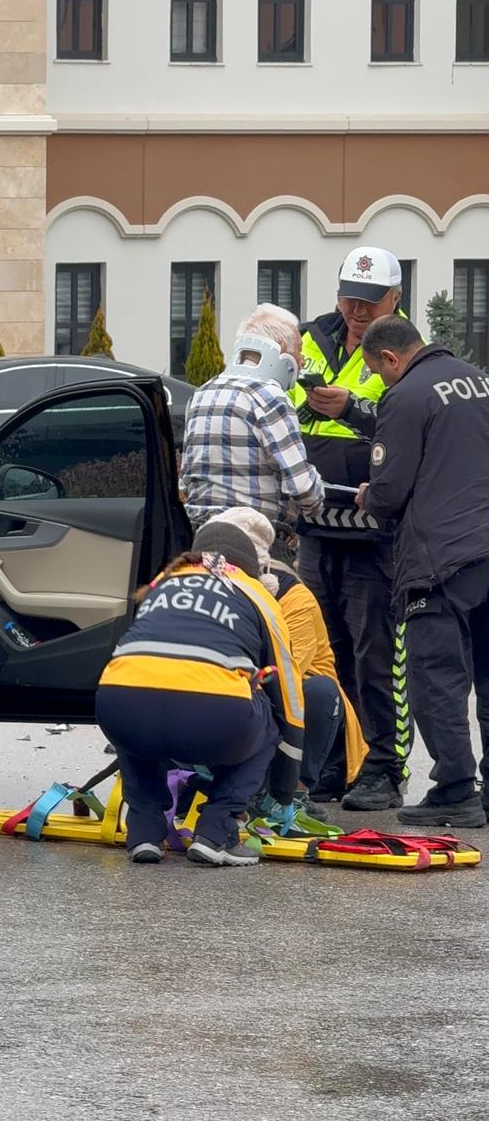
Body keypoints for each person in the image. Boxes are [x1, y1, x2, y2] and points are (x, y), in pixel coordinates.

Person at [96, 516, 305, 867]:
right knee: (269, 721)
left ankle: (144, 833)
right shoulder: (256, 593)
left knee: (139, 702)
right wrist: (285, 788)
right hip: (213, 717)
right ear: (250, 566)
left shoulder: (164, 583)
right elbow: (289, 695)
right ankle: (216, 833)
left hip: (118, 705)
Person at [286, 245, 408, 812]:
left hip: (373, 534)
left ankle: (383, 767)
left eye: (370, 302)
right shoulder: (309, 338)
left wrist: (351, 410)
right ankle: (336, 762)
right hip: (316, 527)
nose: (357, 311)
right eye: (349, 299)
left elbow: (408, 423)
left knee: (375, 657)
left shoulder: (406, 349)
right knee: (324, 654)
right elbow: (283, 408)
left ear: (395, 299)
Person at [356, 315, 489, 829]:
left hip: (441, 559)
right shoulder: (478, 379)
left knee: (436, 677)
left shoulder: (406, 395)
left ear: (391, 357)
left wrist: (370, 495)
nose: (380, 381)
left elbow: (389, 493)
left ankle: (455, 790)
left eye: (378, 371)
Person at [208, 508, 367, 816]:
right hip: (240, 693)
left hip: (296, 703)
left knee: (319, 691)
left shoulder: (295, 598)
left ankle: (295, 791)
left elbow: (285, 672)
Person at [179, 304, 324, 529]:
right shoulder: (269, 397)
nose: (302, 360)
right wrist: (316, 499)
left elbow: (186, 478)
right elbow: (302, 487)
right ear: (282, 348)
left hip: (201, 531)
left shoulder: (202, 393)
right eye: (299, 350)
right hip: (253, 532)